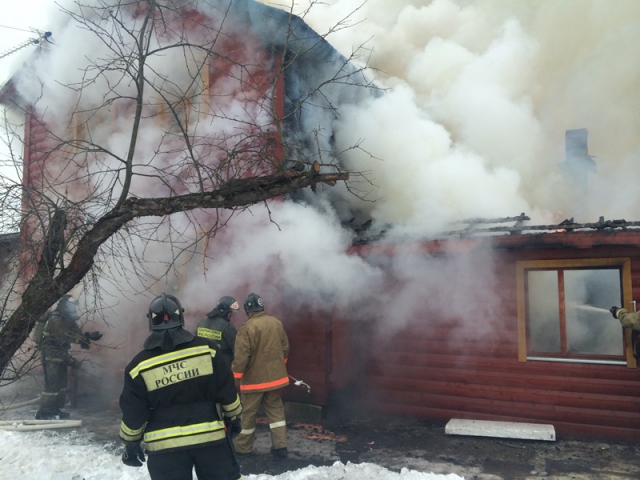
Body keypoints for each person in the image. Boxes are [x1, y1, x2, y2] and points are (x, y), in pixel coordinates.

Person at [119, 293, 243, 480]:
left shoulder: (138, 367)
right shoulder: (207, 350)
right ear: (181, 317)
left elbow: (133, 411)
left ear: (151, 322)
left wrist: (130, 443)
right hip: (210, 441)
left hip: (164, 449)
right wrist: (234, 418)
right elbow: (227, 391)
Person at [232, 292, 290, 459]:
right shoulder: (276, 323)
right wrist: (280, 366)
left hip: (253, 383)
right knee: (276, 413)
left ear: (248, 309)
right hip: (275, 379)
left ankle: (243, 448)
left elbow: (242, 356)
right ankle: (280, 447)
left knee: (248, 414)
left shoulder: (247, 328)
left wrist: (235, 378)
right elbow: (285, 347)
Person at [35, 294, 102, 420]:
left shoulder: (66, 319)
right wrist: (83, 341)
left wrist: (88, 337)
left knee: (61, 384)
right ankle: (44, 412)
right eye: (71, 307)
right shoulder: (56, 320)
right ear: (65, 307)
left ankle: (55, 409)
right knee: (52, 386)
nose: (73, 310)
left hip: (59, 354)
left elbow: (76, 334)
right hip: (51, 355)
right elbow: (66, 337)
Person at [196, 296, 240, 364]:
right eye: (230, 313)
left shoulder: (202, 322)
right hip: (222, 365)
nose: (231, 316)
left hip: (204, 363)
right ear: (225, 312)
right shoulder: (227, 327)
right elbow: (237, 349)